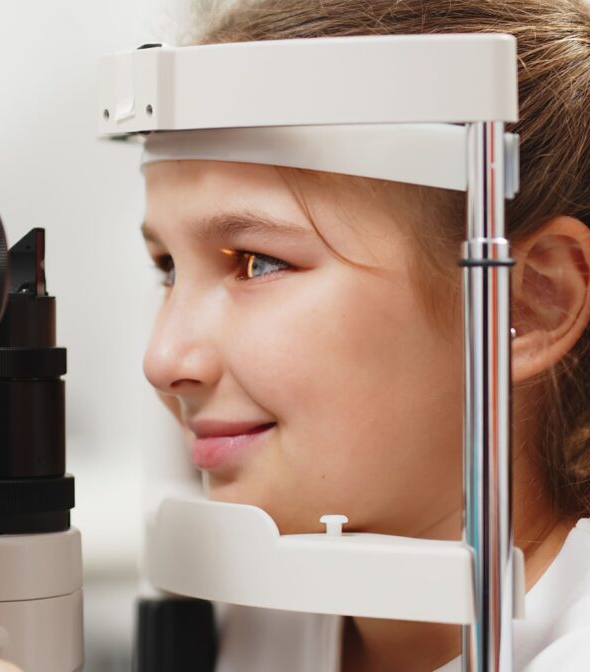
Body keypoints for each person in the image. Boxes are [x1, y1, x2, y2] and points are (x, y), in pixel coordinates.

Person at [139, 1, 590, 670]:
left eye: (258, 262)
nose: (163, 359)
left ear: (533, 301)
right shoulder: (264, 613)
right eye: (167, 268)